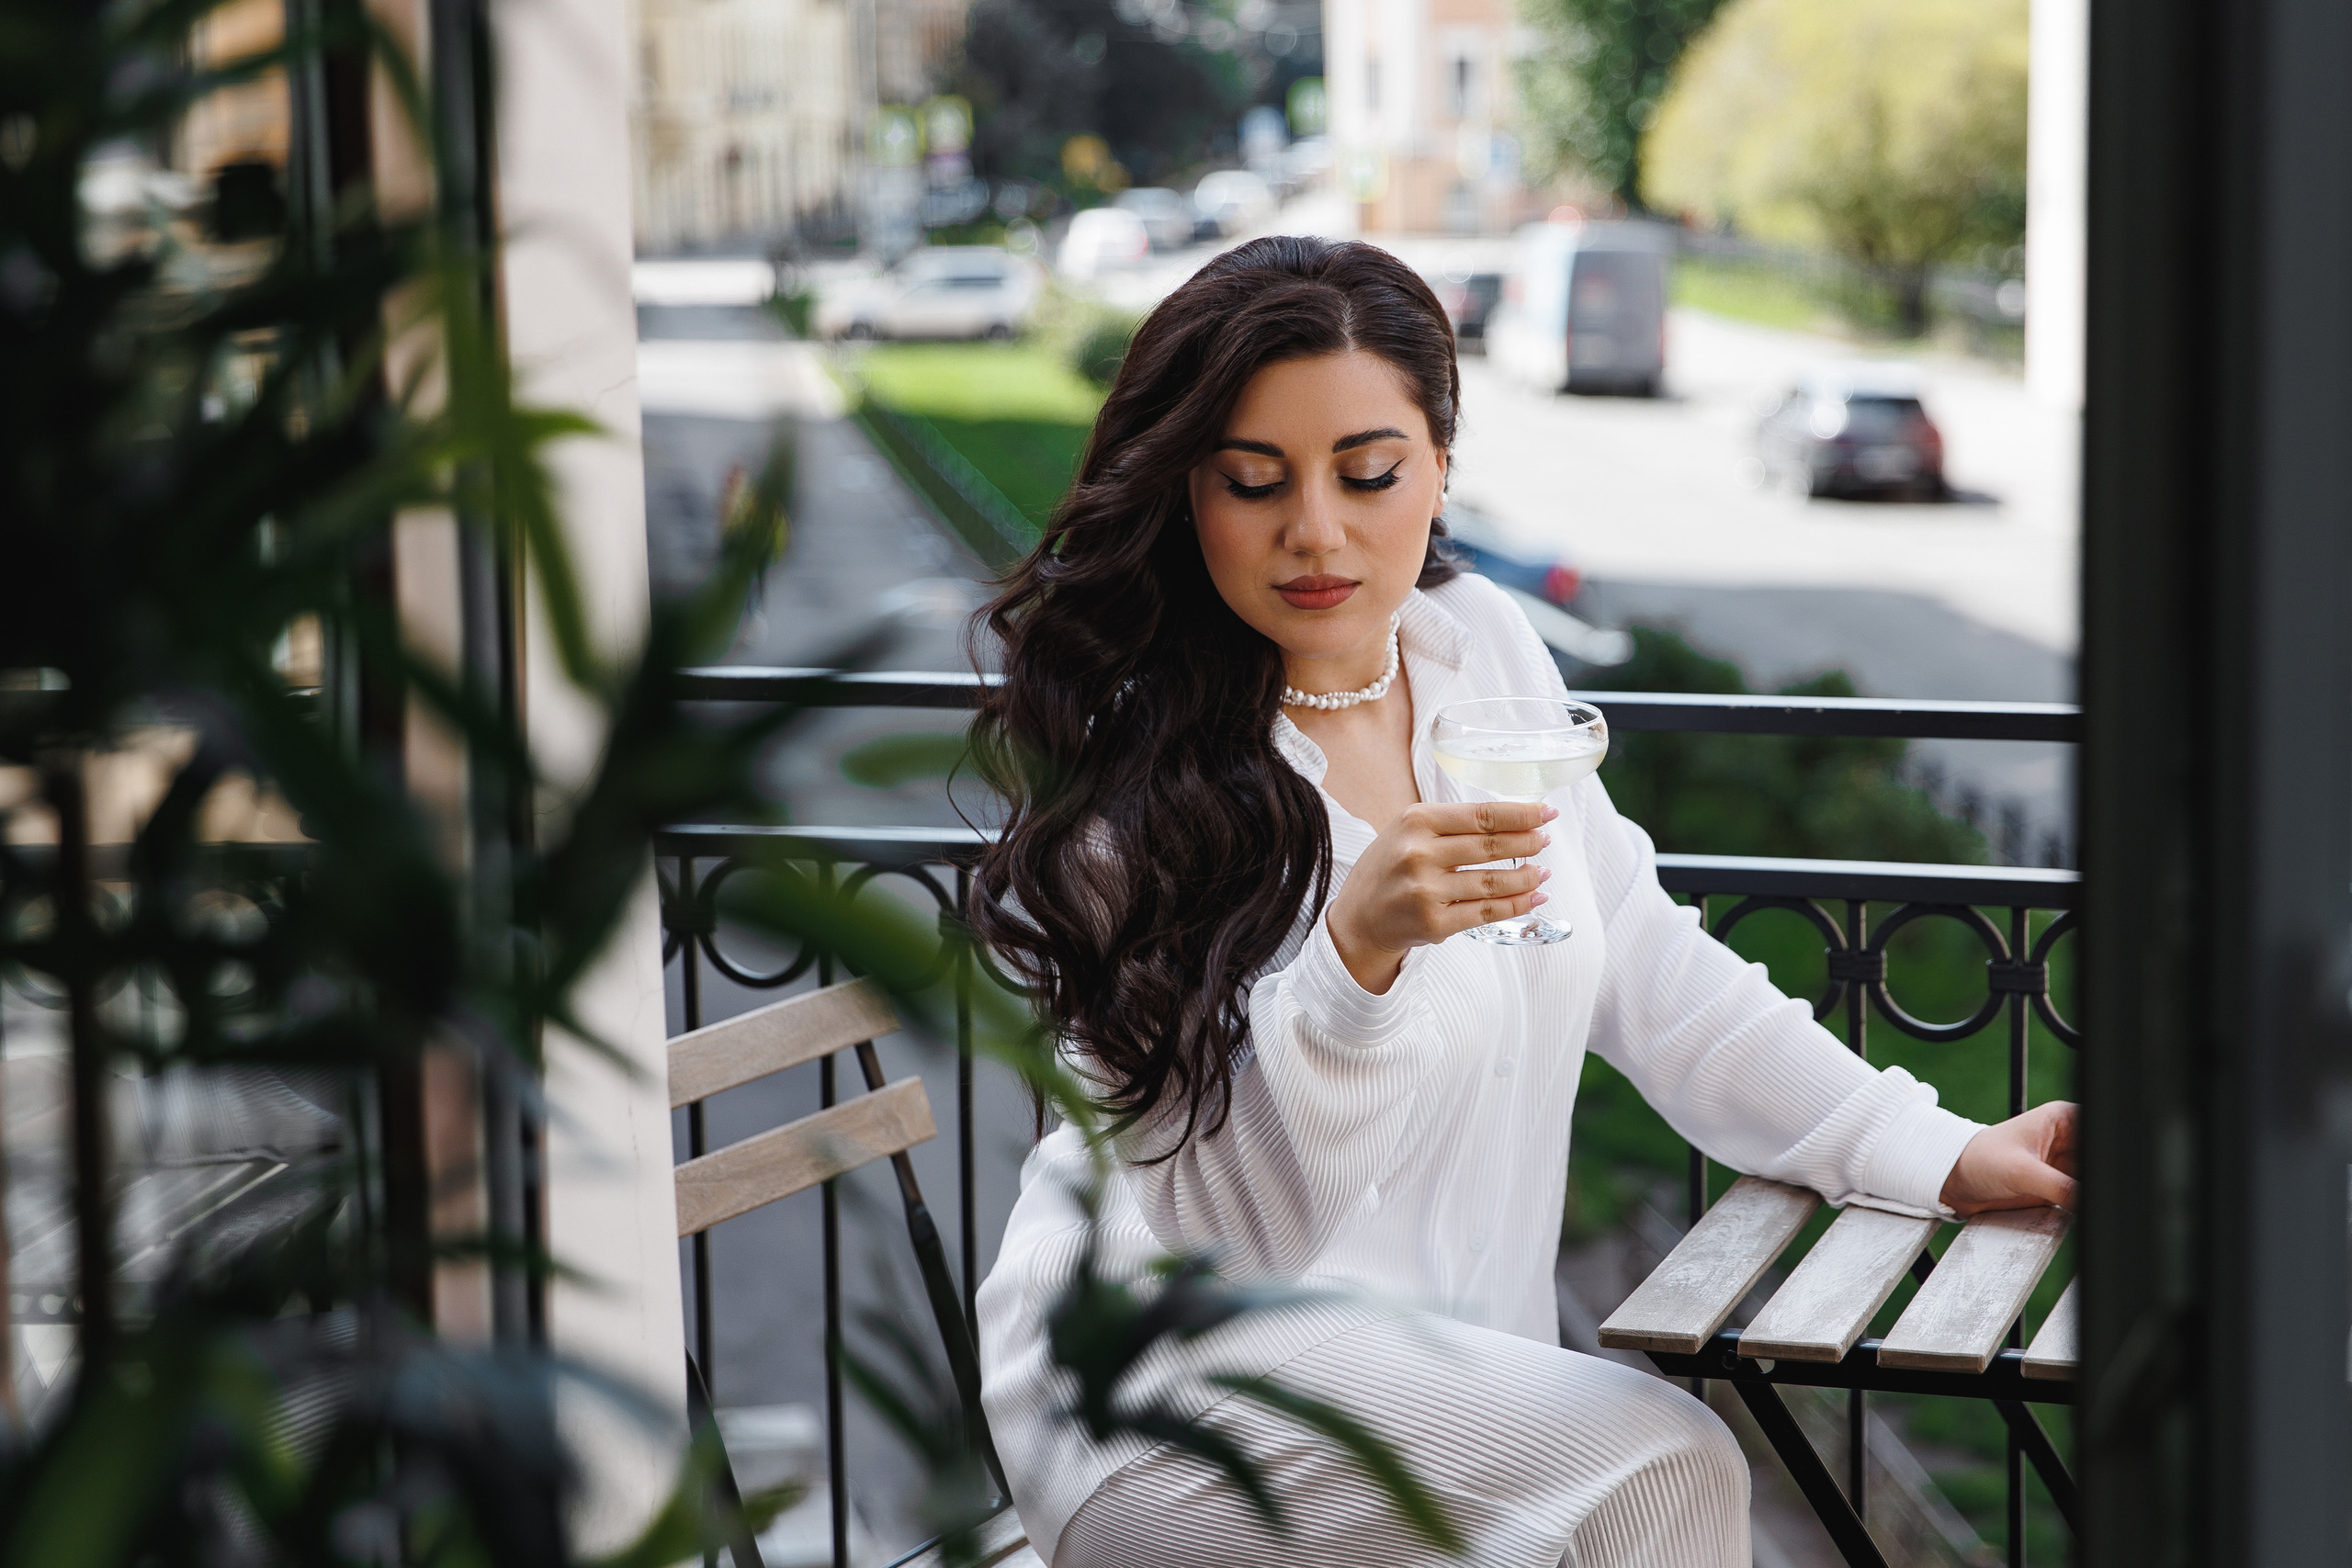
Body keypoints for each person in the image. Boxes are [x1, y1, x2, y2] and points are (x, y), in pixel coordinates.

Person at [967, 236, 2075, 1568]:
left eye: (1367, 473)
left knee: (1629, 1466)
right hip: (1160, 1400)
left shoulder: (1480, 651)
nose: (1315, 529)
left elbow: (1652, 976)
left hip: (1451, 1375)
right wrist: (1352, 961)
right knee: (1660, 1462)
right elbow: (1225, 1235)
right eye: (1252, 483)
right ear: (1187, 497)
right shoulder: (1143, 789)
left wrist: (1936, 1148)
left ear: (1437, 465)